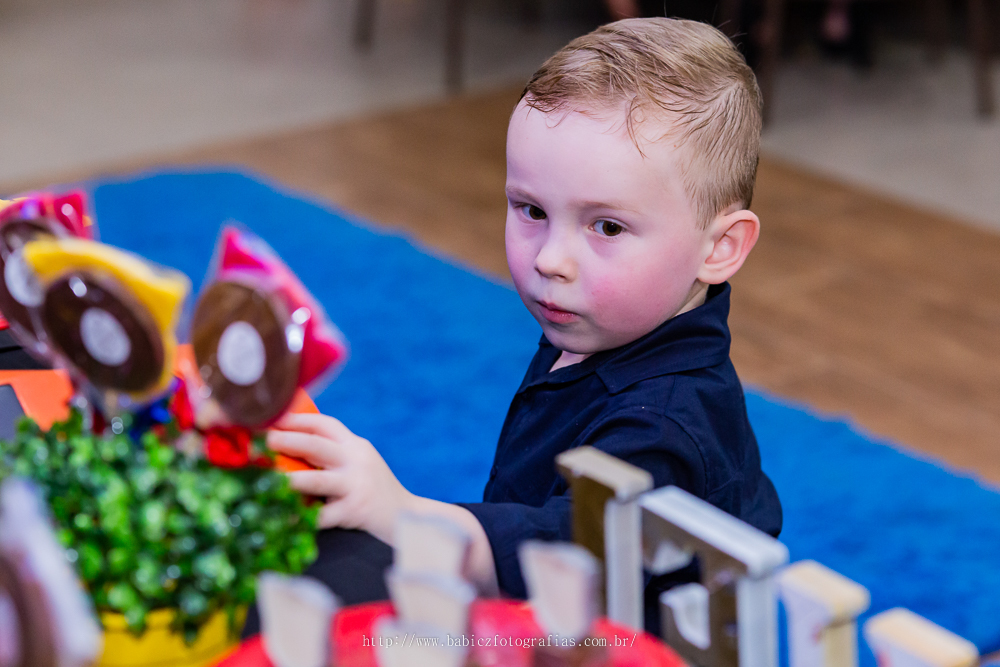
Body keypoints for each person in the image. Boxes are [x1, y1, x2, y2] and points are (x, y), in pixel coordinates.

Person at [255, 17, 782, 636]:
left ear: (719, 247)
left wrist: (399, 512)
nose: (549, 260)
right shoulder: (606, 321)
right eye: (531, 210)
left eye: (606, 227)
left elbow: (556, 562)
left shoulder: (666, 426)